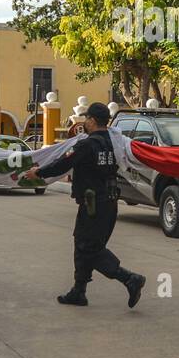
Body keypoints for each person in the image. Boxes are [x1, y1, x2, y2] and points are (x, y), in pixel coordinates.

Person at [24, 101, 145, 308]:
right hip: (108, 203)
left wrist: (38, 172)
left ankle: (129, 279)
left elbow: (63, 164)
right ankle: (79, 291)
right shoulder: (115, 142)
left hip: (94, 205)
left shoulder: (88, 144)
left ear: (91, 120)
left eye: (86, 119)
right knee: (84, 245)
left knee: (88, 248)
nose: (84, 123)